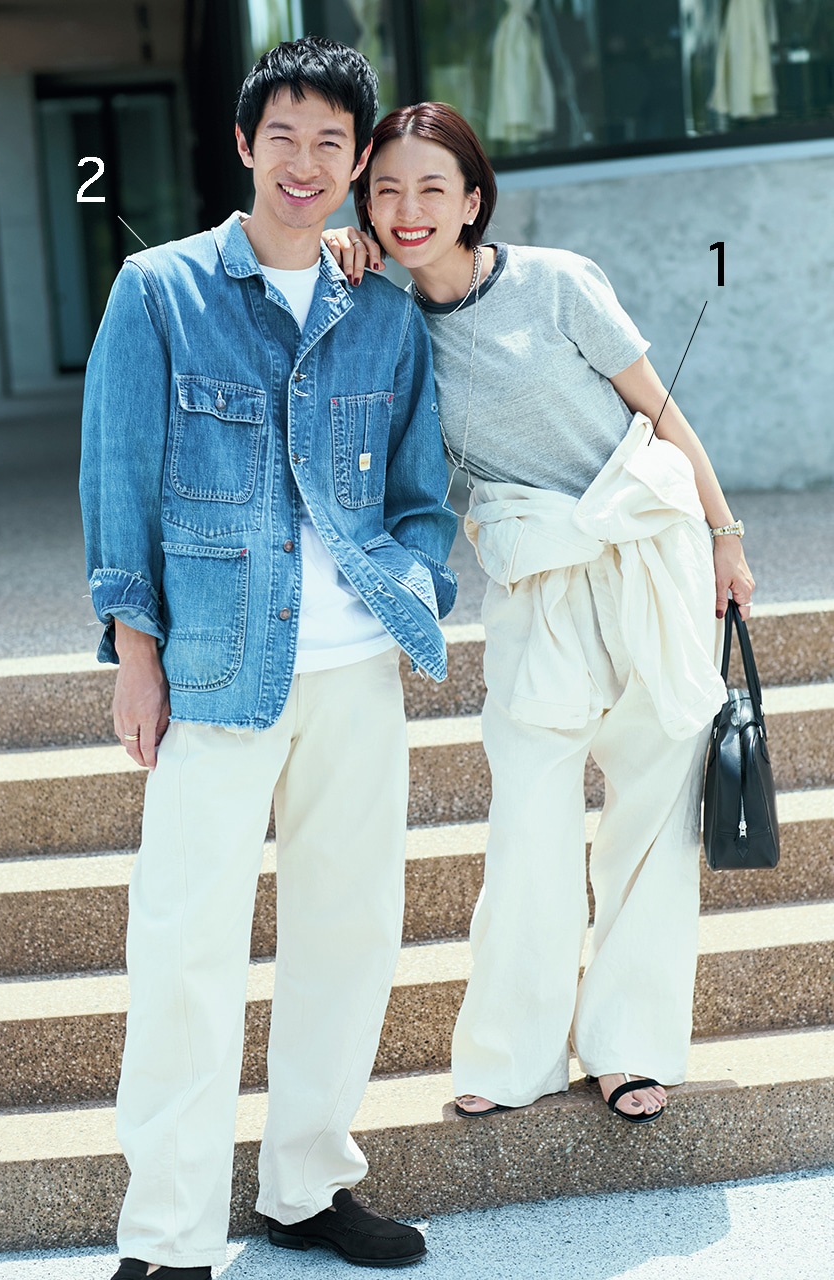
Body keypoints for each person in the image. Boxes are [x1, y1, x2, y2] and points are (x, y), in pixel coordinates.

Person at [80, 43, 457, 1279]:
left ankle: (306, 1187)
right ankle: (170, 1237)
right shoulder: (159, 289)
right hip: (221, 667)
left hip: (355, 672)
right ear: (244, 146)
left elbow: (420, 496)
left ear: (356, 167)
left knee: (350, 936)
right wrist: (136, 656)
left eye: (332, 146)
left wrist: (411, 584)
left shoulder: (383, 309)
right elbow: (116, 485)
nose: (308, 164)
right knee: (186, 948)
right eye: (284, 137)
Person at [324, 102, 753, 1126]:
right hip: (533, 586)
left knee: (651, 823)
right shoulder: (379, 321)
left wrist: (725, 534)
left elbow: (659, 409)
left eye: (433, 187)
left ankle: (629, 1046)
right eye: (386, 191)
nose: (409, 208)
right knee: (529, 830)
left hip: (650, 563)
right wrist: (332, 263)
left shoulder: (559, 281)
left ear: (474, 199)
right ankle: (512, 1053)